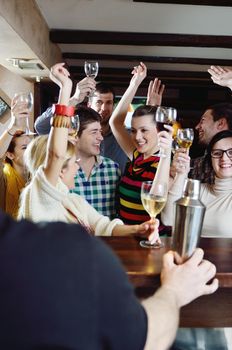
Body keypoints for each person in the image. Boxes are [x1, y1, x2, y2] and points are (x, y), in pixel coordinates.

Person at [0, 209, 218, 349]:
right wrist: (174, 291)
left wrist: (134, 229)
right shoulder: (74, 254)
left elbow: (101, 222)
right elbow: (149, 338)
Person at [18, 63, 157, 239]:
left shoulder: (73, 201)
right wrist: (66, 90)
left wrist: (137, 229)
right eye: (70, 163)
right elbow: (56, 153)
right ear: (58, 169)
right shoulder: (41, 195)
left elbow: (103, 225)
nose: (77, 168)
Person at [109, 62, 168, 225]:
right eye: (133, 130)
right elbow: (116, 122)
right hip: (125, 235)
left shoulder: (166, 163)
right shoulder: (136, 155)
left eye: (144, 130)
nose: (137, 137)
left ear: (159, 129)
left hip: (150, 240)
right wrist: (134, 84)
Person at [34, 79, 128, 173]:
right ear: (89, 104)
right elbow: (41, 127)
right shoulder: (74, 129)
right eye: (99, 102)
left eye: (108, 103)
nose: (104, 108)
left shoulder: (124, 136)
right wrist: (75, 99)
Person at [162, 130, 232, 237]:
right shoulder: (198, 190)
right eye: (217, 153)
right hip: (192, 253)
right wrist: (181, 173)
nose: (224, 158)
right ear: (210, 159)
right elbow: (168, 220)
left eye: (231, 152)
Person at [70, 105, 121, 219]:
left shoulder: (112, 169)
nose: (101, 138)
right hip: (70, 236)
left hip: (106, 237)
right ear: (75, 135)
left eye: (100, 131)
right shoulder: (62, 171)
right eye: (94, 132)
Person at [0, 98, 31, 218]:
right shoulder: (4, 179)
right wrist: (13, 126)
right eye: (24, 148)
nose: (30, 151)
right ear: (10, 154)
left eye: (31, 146)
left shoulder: (37, 176)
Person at [188, 102, 232, 184]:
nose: (197, 127)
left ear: (220, 123)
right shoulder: (193, 165)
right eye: (217, 154)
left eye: (202, 121)